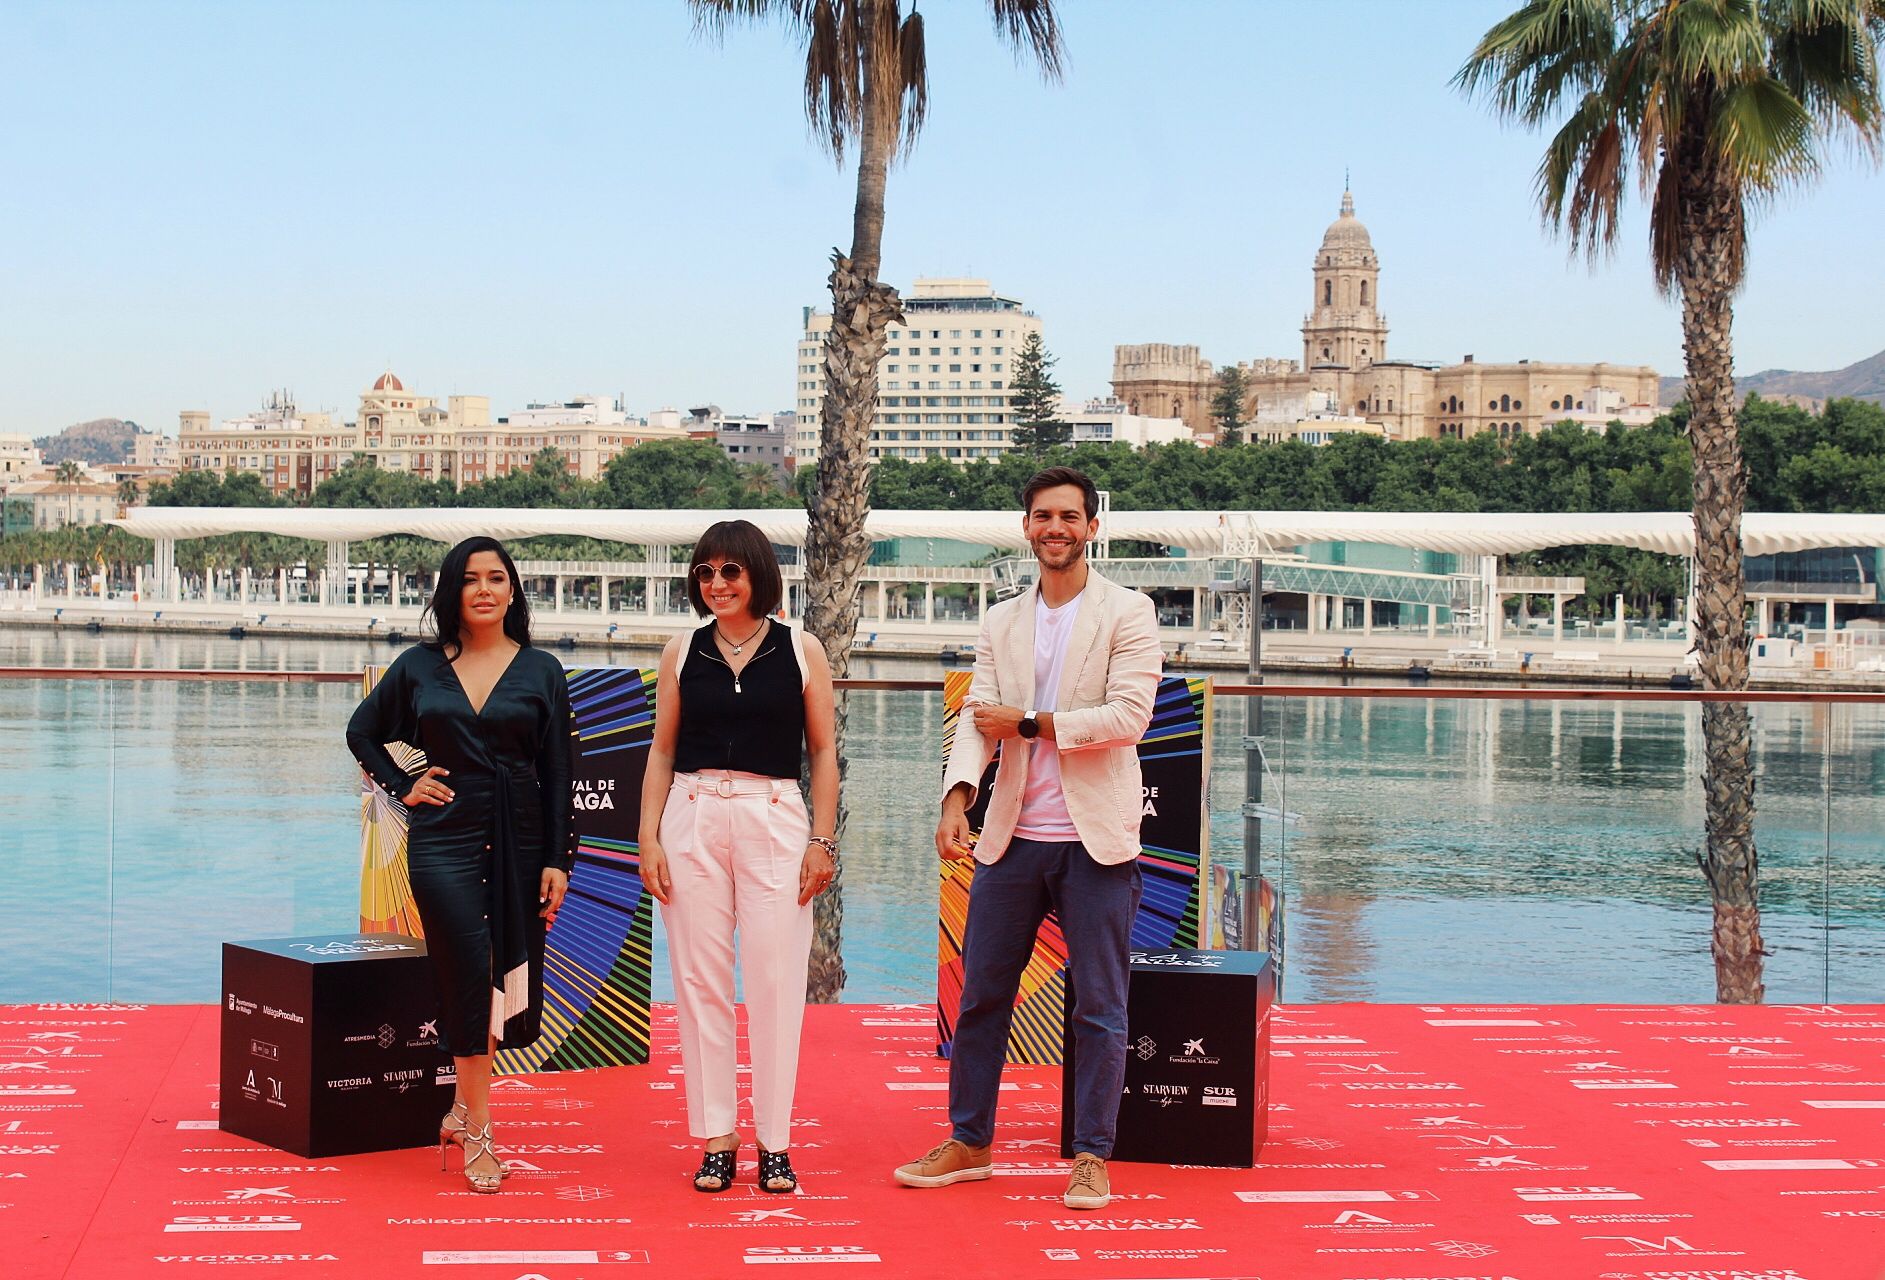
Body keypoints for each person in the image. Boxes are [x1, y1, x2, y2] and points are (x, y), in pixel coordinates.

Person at [894, 466, 1161, 1211]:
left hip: (1096, 843)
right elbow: (979, 716)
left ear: (1091, 528)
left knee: (1100, 1007)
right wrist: (957, 796)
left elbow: (1128, 718)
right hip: (1010, 840)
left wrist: (1033, 725)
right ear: (1026, 527)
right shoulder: (1000, 620)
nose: (1055, 528)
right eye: (1043, 516)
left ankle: (1091, 1156)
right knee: (980, 999)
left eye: (1069, 517)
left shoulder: (1128, 612)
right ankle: (970, 1141)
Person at [345, 536, 573, 1194]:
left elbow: (559, 774)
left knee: (499, 974)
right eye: (470, 579)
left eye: (496, 578)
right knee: (469, 968)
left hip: (521, 839)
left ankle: (461, 1107)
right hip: (443, 838)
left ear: (512, 590)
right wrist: (400, 783)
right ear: (452, 590)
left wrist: (558, 859)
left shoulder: (541, 671)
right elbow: (363, 730)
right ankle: (481, 1132)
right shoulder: (419, 666)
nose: (483, 589)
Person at [639, 519, 838, 1194]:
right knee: (700, 984)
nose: (716, 584)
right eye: (704, 573)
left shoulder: (800, 648)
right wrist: (647, 837)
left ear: (758, 574)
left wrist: (822, 839)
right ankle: (716, 1138)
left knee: (776, 980)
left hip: (775, 816)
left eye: (730, 571)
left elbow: (823, 753)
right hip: (690, 814)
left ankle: (774, 1143)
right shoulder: (681, 649)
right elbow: (662, 749)